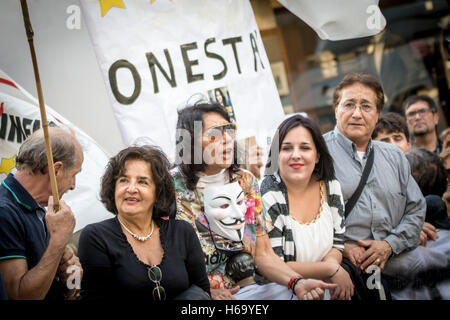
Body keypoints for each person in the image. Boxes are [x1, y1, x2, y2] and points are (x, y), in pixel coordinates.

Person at [171, 101, 336, 300]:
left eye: (228, 130)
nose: (226, 140)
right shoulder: (169, 188)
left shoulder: (246, 181)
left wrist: (297, 282)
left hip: (253, 288)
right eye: (214, 133)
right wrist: (206, 292)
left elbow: (263, 254)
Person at [323, 73, 427, 299]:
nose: (357, 113)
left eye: (366, 106)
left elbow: (416, 209)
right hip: (347, 276)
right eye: (349, 104)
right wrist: (342, 248)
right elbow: (299, 218)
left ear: (377, 114)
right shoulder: (316, 155)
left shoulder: (394, 156)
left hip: (402, 272)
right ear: (336, 109)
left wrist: (389, 245)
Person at [261, 114, 383, 300]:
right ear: (276, 155)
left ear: (317, 155)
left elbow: (338, 242)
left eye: (305, 147)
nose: (296, 155)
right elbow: (275, 262)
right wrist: (331, 269)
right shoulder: (268, 193)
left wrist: (333, 269)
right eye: (286, 148)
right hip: (285, 291)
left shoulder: (329, 185)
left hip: (331, 285)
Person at [78, 146, 210, 300]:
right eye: (123, 180)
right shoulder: (96, 237)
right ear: (113, 188)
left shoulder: (182, 232)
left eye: (142, 182)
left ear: (158, 192)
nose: (131, 188)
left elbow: (202, 292)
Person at [0, 127, 83, 300]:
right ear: (56, 170)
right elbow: (19, 296)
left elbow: (63, 291)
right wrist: (58, 242)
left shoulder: (40, 211)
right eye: (74, 174)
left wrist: (70, 280)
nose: (74, 185)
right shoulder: (5, 211)